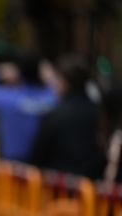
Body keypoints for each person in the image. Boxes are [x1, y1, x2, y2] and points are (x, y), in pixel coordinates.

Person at [27, 53, 107, 181]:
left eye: (57, 80)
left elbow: (39, 157)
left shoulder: (55, 116)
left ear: (64, 81)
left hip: (60, 185)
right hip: (93, 186)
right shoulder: (99, 112)